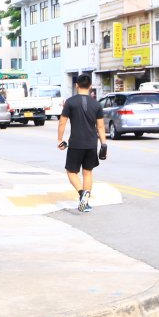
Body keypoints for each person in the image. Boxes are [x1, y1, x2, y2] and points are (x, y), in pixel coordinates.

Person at [57, 74, 108, 213]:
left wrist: (60, 139)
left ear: (76, 85)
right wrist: (104, 145)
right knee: (88, 173)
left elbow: (62, 122)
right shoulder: (96, 104)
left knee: (71, 171)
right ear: (90, 86)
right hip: (91, 144)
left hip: (75, 143)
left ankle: (81, 194)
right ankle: (86, 202)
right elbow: (101, 127)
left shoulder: (70, 102)